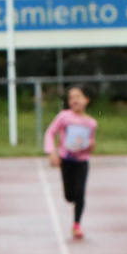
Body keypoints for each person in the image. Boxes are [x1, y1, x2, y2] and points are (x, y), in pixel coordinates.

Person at [44, 84, 98, 240]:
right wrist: (51, 152)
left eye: (78, 97)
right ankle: (73, 200)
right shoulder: (64, 117)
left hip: (82, 161)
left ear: (86, 100)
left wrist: (90, 147)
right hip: (66, 160)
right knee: (69, 196)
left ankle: (76, 224)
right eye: (71, 97)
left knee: (80, 193)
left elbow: (89, 143)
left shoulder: (91, 123)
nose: (74, 100)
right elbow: (50, 132)